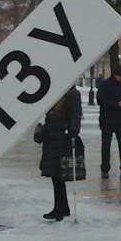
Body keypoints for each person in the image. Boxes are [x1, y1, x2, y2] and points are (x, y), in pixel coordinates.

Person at [35, 86, 83, 221]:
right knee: (55, 176)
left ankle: (60, 208)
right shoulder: (58, 91)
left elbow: (76, 114)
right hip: (53, 138)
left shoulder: (72, 94)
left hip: (62, 138)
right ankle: (61, 207)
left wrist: (73, 131)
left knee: (58, 175)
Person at [97, 64, 121, 183]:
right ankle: (105, 168)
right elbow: (100, 100)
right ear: (115, 75)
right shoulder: (105, 85)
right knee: (106, 145)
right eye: (120, 76)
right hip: (107, 119)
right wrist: (116, 104)